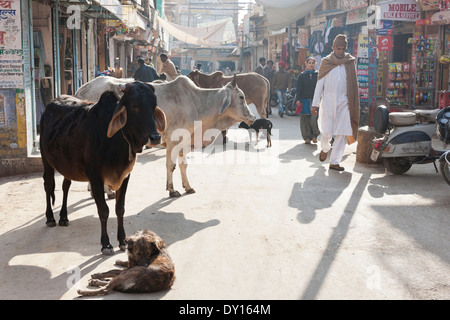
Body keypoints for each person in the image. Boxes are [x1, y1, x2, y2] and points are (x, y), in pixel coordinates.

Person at [311, 34, 360, 171]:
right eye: (338, 48)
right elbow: (319, 85)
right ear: (333, 47)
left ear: (346, 48)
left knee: (342, 132)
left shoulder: (349, 62)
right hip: (327, 102)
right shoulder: (326, 62)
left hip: (345, 103)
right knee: (327, 131)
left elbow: (353, 85)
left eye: (342, 49)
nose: (340, 51)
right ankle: (325, 148)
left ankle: (335, 162)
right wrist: (315, 104)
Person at [296, 57, 320, 144]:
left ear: (315, 64)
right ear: (306, 64)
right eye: (309, 63)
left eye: (313, 63)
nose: (311, 64)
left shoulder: (318, 75)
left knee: (314, 119)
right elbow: (299, 88)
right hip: (304, 100)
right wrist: (298, 99)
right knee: (305, 120)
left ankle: (315, 135)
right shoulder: (302, 75)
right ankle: (307, 137)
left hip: (315, 100)